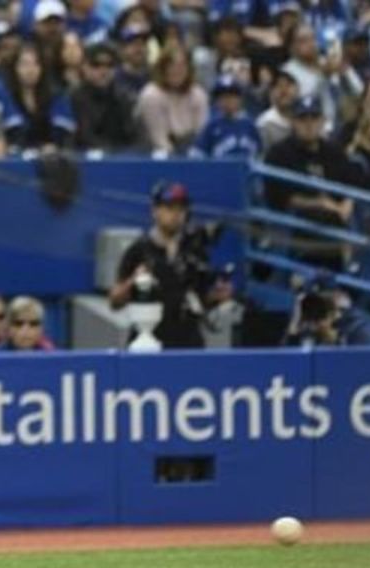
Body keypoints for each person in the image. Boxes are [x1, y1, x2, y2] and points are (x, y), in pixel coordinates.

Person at [108, 181, 228, 349]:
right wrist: (134, 280)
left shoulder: (194, 250)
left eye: (181, 209)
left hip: (188, 341)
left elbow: (200, 299)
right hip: (148, 340)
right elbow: (114, 301)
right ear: (155, 211)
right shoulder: (139, 250)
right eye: (169, 208)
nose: (176, 214)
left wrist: (216, 297)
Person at [264, 95, 358, 270]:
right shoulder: (279, 153)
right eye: (302, 118)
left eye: (314, 118)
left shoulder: (333, 151)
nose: (308, 124)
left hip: (336, 224)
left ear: (322, 121)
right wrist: (321, 203)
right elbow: (281, 197)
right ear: (293, 122)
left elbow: (352, 184)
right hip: (298, 226)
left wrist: (348, 203)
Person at [135, 45, 209, 155]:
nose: (177, 70)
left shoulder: (198, 94)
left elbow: (202, 134)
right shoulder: (151, 95)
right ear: (163, 69)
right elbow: (159, 139)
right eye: (171, 66)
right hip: (155, 153)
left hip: (190, 150)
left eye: (182, 65)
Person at [70, 42, 139, 152]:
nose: (103, 71)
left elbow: (133, 137)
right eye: (96, 65)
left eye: (109, 65)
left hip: (121, 159)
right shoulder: (74, 97)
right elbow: (84, 137)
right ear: (84, 67)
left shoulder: (124, 97)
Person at [191, 74, 261, 159]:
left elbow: (260, 155)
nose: (227, 100)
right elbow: (197, 155)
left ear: (240, 99)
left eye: (232, 96)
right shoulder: (211, 126)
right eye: (222, 97)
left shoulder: (250, 125)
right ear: (217, 101)